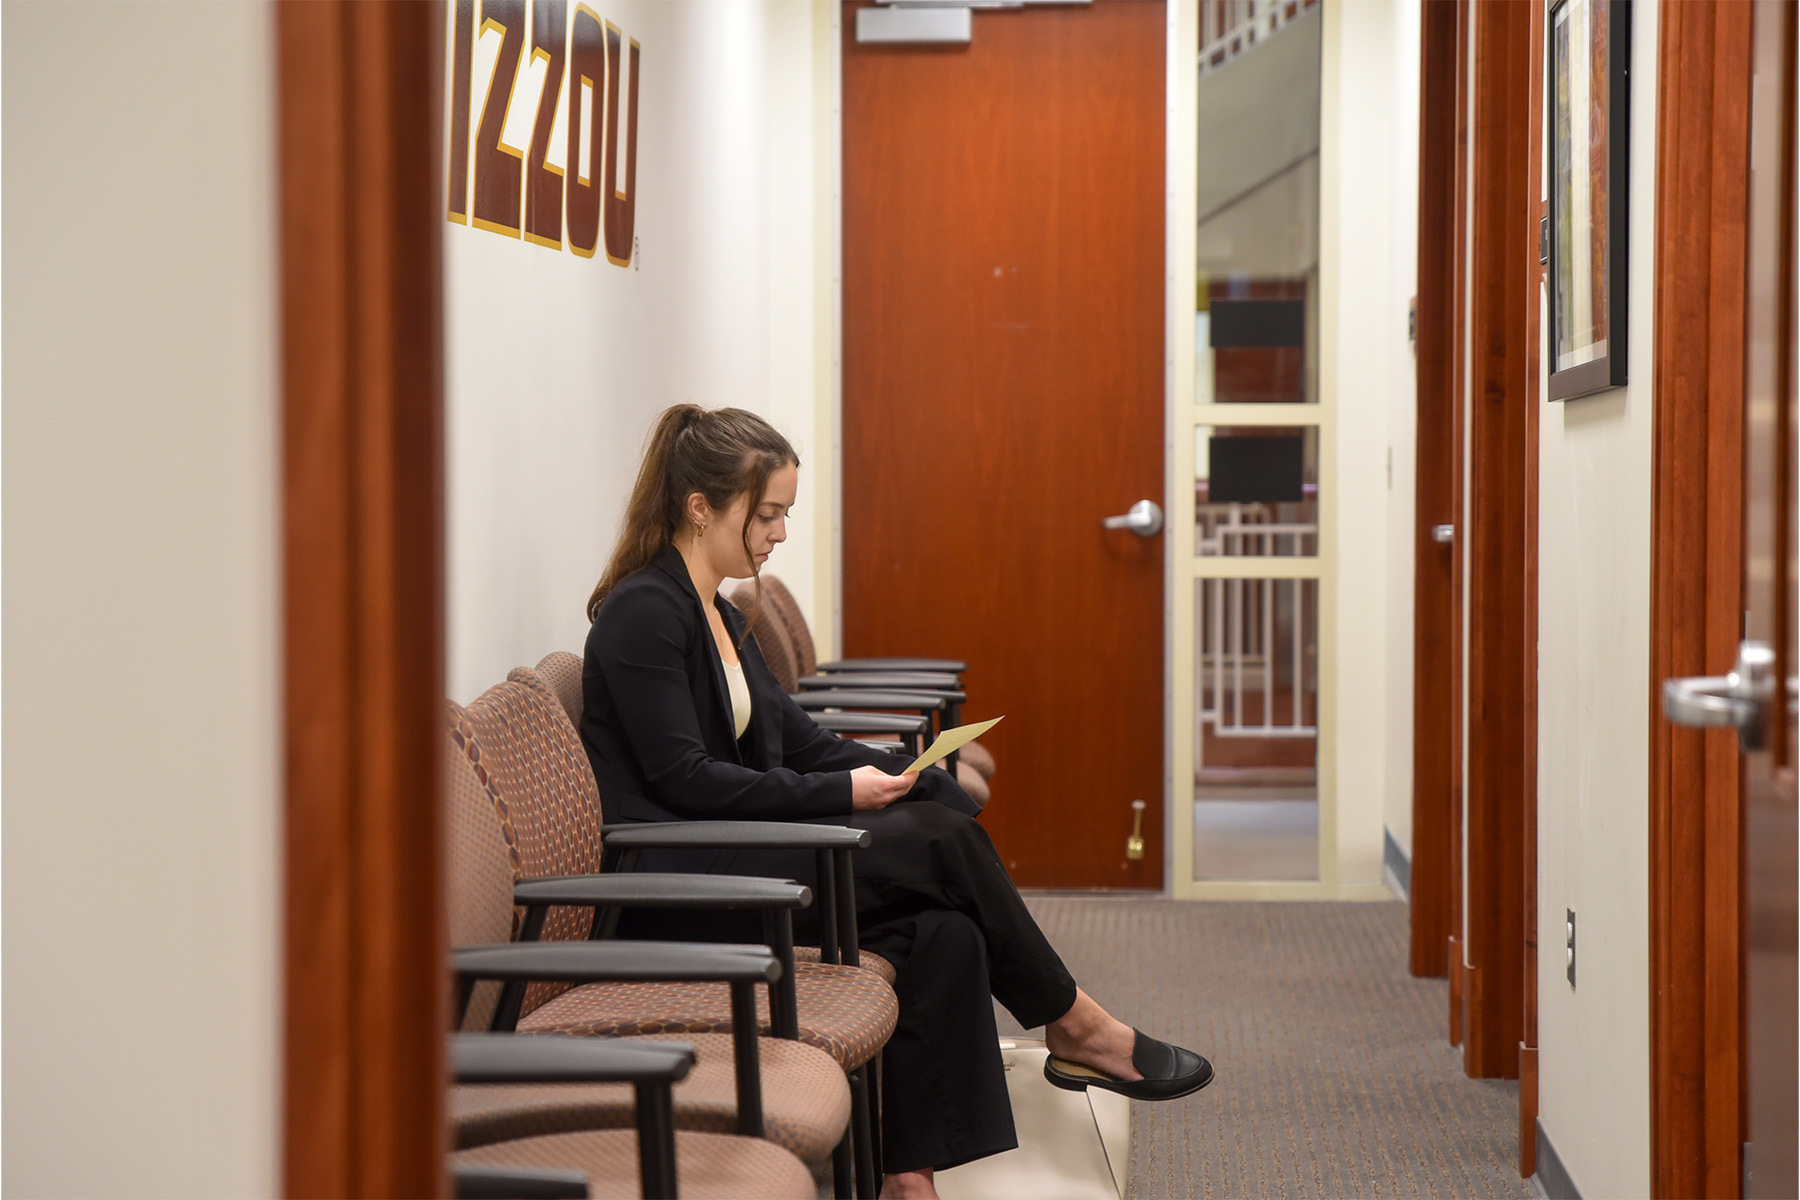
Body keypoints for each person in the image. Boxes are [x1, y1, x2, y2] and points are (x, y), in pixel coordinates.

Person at [581, 404, 1212, 1199]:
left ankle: (907, 1179)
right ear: (701, 505)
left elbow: (800, 743)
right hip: (685, 887)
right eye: (767, 515)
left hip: (741, 853)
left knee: (944, 933)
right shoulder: (644, 614)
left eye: (785, 515)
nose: (778, 535)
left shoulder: (718, 614)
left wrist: (899, 768)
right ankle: (1075, 1022)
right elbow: (686, 782)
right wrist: (846, 791)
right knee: (940, 843)